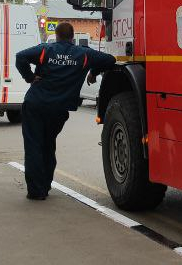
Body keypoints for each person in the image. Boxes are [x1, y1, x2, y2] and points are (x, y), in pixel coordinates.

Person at [15, 22, 116, 200]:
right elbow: (110, 60)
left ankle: (36, 191)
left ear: (57, 34)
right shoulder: (84, 54)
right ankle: (45, 185)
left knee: (34, 146)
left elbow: (20, 57)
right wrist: (93, 72)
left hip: (36, 105)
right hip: (59, 109)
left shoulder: (45, 50)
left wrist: (29, 77)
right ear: (72, 36)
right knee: (48, 144)